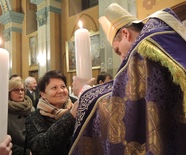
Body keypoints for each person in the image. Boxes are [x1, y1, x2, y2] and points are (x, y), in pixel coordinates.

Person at [69, 3, 186, 155]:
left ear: (125, 33)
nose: (121, 57)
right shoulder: (164, 35)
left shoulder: (144, 49)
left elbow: (122, 107)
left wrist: (84, 91)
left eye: (118, 50)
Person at [25, 70, 78, 155]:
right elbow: (40, 148)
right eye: (54, 88)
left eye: (63, 87)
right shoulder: (33, 118)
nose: (61, 91)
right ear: (43, 94)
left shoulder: (75, 110)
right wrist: (70, 117)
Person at [8, 79, 34, 155]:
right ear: (9, 93)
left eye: (22, 90)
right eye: (16, 90)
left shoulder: (31, 109)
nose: (20, 92)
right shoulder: (5, 110)